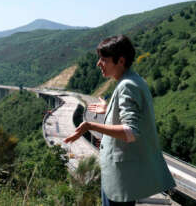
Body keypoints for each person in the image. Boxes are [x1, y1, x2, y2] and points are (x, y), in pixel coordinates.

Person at [64, 35, 175, 206]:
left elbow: (131, 132)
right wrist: (109, 110)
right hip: (121, 179)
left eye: (103, 59)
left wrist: (90, 125)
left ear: (121, 61)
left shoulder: (127, 85)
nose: (98, 64)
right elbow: (131, 118)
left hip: (120, 180)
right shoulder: (133, 80)